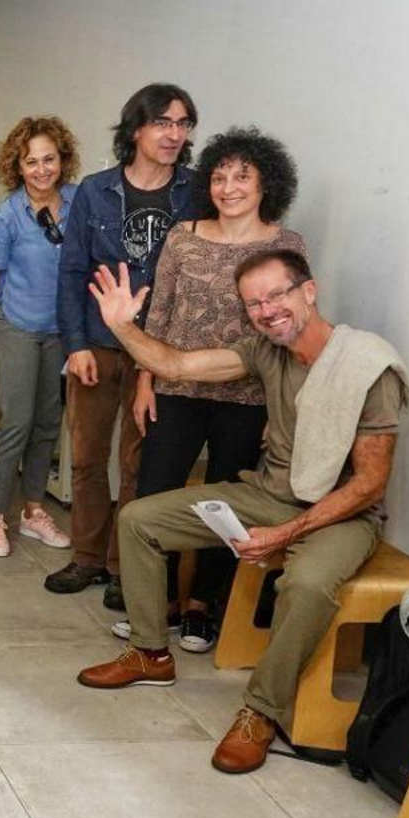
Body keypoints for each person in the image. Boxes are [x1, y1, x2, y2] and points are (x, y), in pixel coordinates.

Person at [77, 253, 408, 774]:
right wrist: (123, 327)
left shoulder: (366, 366)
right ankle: (149, 653)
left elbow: (370, 484)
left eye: (276, 295)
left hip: (340, 513)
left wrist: (289, 531)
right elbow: (178, 366)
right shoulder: (265, 351)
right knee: (139, 518)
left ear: (309, 291)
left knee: (305, 584)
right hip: (269, 492)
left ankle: (260, 711)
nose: (267, 310)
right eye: (254, 302)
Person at [119, 128, 306, 651]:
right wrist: (145, 381)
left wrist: (281, 405)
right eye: (219, 177)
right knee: (155, 493)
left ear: (266, 183)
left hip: (247, 398)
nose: (228, 187)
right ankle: (153, 609)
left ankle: (202, 605)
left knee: (227, 503)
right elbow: (159, 314)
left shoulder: (285, 245)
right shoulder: (183, 235)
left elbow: (294, 331)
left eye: (241, 177)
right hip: (176, 387)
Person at [47, 83, 198, 609]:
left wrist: (162, 357)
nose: (174, 134)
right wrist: (74, 344)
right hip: (96, 341)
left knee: (139, 463)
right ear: (136, 128)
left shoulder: (194, 193)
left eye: (182, 124)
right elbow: (71, 272)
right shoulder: (95, 189)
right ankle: (86, 557)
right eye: (163, 122)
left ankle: (121, 566)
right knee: (87, 457)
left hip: (156, 350)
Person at [0, 116, 79, 557]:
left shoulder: (78, 203)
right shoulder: (5, 216)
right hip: (15, 326)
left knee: (47, 424)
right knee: (16, 422)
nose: (41, 170)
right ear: (17, 166)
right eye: (31, 161)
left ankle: (33, 511)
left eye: (48, 160)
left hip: (62, 332)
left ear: (62, 160)